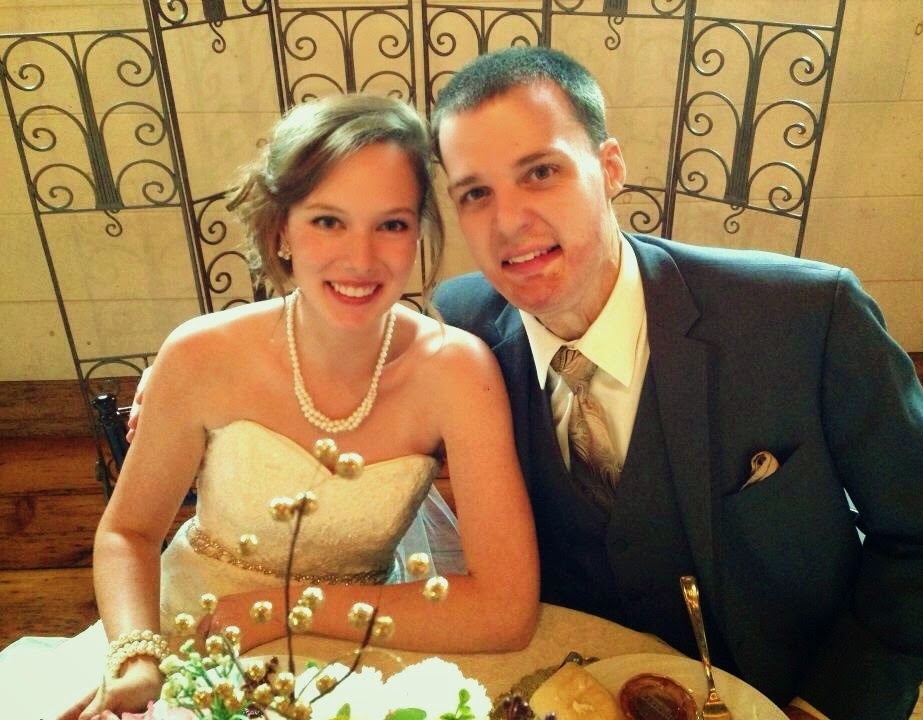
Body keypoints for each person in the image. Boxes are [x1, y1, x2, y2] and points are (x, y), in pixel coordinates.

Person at [427, 47, 923, 720]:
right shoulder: (463, 328)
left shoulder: (805, 317)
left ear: (610, 168)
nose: (507, 222)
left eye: (541, 172)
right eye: (475, 193)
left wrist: (827, 707)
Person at [2, 93, 539, 720]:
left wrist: (284, 610)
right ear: (282, 228)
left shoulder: (457, 371)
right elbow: (128, 532)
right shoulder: (201, 354)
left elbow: (505, 610)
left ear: (419, 230)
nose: (360, 259)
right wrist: (137, 656)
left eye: (391, 224)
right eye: (328, 221)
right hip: (188, 630)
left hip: (355, 646)